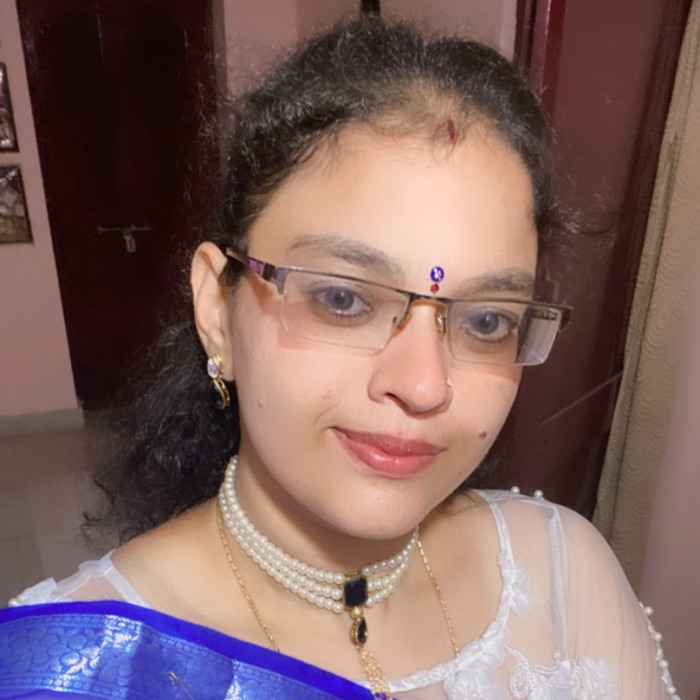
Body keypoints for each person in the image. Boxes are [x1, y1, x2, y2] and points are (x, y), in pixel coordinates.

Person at [0, 16, 678, 700]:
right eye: (343, 299)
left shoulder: (564, 574)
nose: (424, 384)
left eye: (487, 320)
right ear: (217, 311)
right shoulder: (81, 670)